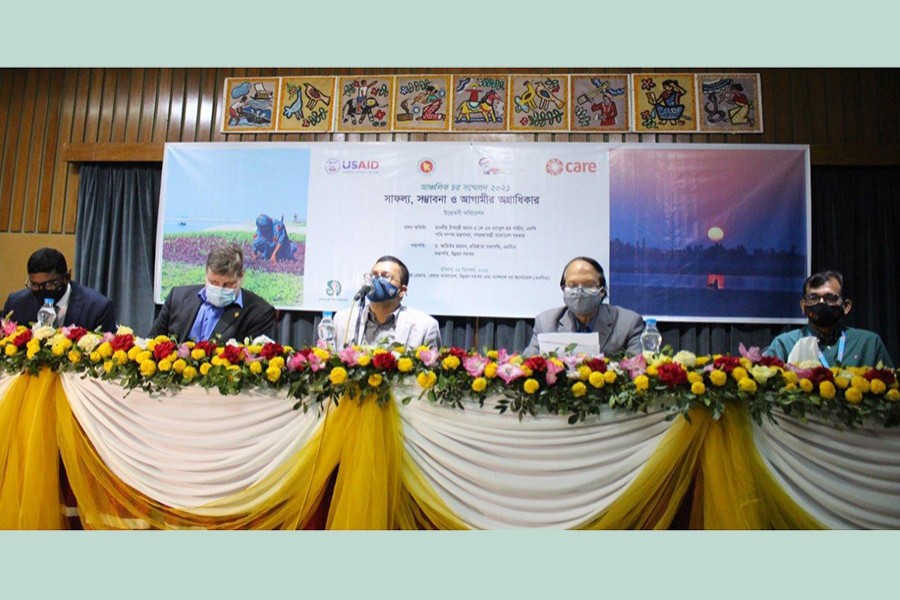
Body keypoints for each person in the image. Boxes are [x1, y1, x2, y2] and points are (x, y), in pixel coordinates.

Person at [764, 270, 894, 368]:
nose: (821, 303)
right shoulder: (784, 344)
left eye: (830, 298)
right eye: (813, 298)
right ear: (803, 307)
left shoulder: (869, 343)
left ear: (846, 306)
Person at [149, 243, 275, 342]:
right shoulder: (178, 297)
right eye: (213, 282)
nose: (220, 289)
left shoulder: (260, 313)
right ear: (206, 273)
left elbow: (253, 363)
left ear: (241, 276)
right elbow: (152, 342)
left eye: (228, 284)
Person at [524, 257, 644, 357]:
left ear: (602, 291)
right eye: (572, 285)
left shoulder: (628, 323)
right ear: (563, 289)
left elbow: (638, 372)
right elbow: (528, 367)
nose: (579, 291)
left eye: (588, 284)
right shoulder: (545, 323)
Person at [334, 255, 441, 350]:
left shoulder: (425, 326)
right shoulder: (342, 320)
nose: (376, 279)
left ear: (402, 291)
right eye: (374, 274)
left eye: (385, 276)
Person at [3, 247, 116, 331]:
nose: (42, 291)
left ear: (66, 277)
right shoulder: (16, 304)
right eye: (35, 285)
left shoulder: (98, 308)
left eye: (49, 284)